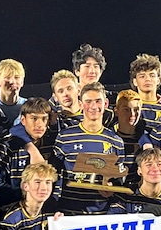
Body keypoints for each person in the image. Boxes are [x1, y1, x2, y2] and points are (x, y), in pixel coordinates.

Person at [54, 81, 126, 214]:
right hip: (69, 213)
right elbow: (54, 175)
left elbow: (119, 179)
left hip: (100, 215)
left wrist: (111, 188)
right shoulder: (65, 137)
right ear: (81, 105)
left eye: (98, 101)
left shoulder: (116, 142)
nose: (93, 106)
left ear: (105, 104)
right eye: (88, 101)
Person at [129, 53, 161, 126]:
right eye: (142, 76)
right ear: (135, 81)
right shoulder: (128, 105)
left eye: (152, 75)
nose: (148, 79)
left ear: (158, 80)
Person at [0, 58, 28, 130]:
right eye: (7, 77)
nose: (12, 81)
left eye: (16, 77)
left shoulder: (29, 107)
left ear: (22, 82)